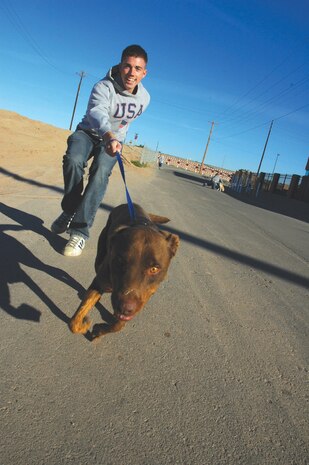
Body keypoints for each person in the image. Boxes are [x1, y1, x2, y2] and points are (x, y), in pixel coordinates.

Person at [51, 45, 150, 257]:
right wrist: (108, 136)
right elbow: (96, 112)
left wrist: (117, 139)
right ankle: (69, 209)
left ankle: (79, 232)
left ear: (144, 73)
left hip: (114, 142)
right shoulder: (103, 86)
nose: (132, 73)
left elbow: (125, 122)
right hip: (89, 132)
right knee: (73, 160)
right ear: (120, 65)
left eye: (137, 69)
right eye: (127, 66)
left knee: (100, 175)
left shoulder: (145, 99)